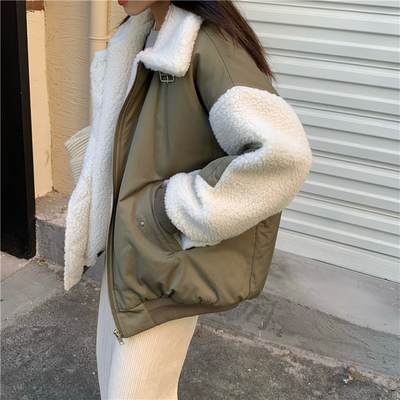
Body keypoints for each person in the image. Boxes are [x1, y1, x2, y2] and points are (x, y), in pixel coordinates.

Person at [63, 1, 313, 398]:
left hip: (159, 262)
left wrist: (165, 213)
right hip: (127, 255)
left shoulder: (206, 43)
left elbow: (282, 157)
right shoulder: (140, 34)